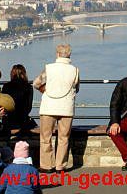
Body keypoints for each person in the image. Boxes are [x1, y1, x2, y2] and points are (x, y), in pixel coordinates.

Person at [33, 44, 80, 173]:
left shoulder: (49, 68)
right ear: (69, 55)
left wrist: (45, 90)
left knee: (45, 137)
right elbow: (77, 88)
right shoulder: (75, 70)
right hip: (66, 108)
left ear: (57, 54)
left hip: (49, 106)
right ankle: (60, 165)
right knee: (64, 138)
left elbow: (36, 83)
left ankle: (47, 165)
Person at [2, 64, 36, 131]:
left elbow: (4, 104)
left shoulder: (6, 86)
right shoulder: (28, 87)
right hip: (23, 119)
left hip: (10, 119)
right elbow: (29, 106)